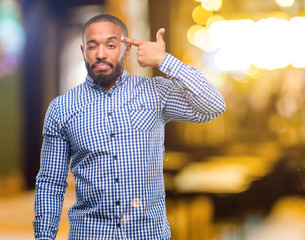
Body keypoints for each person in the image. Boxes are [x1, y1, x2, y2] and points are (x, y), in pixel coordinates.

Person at [33, 14, 225, 239]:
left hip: (148, 234)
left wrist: (165, 60)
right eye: (93, 46)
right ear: (83, 51)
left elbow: (214, 106)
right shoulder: (62, 108)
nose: (101, 54)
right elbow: (50, 183)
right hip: (90, 234)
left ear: (126, 50)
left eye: (111, 45)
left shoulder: (155, 93)